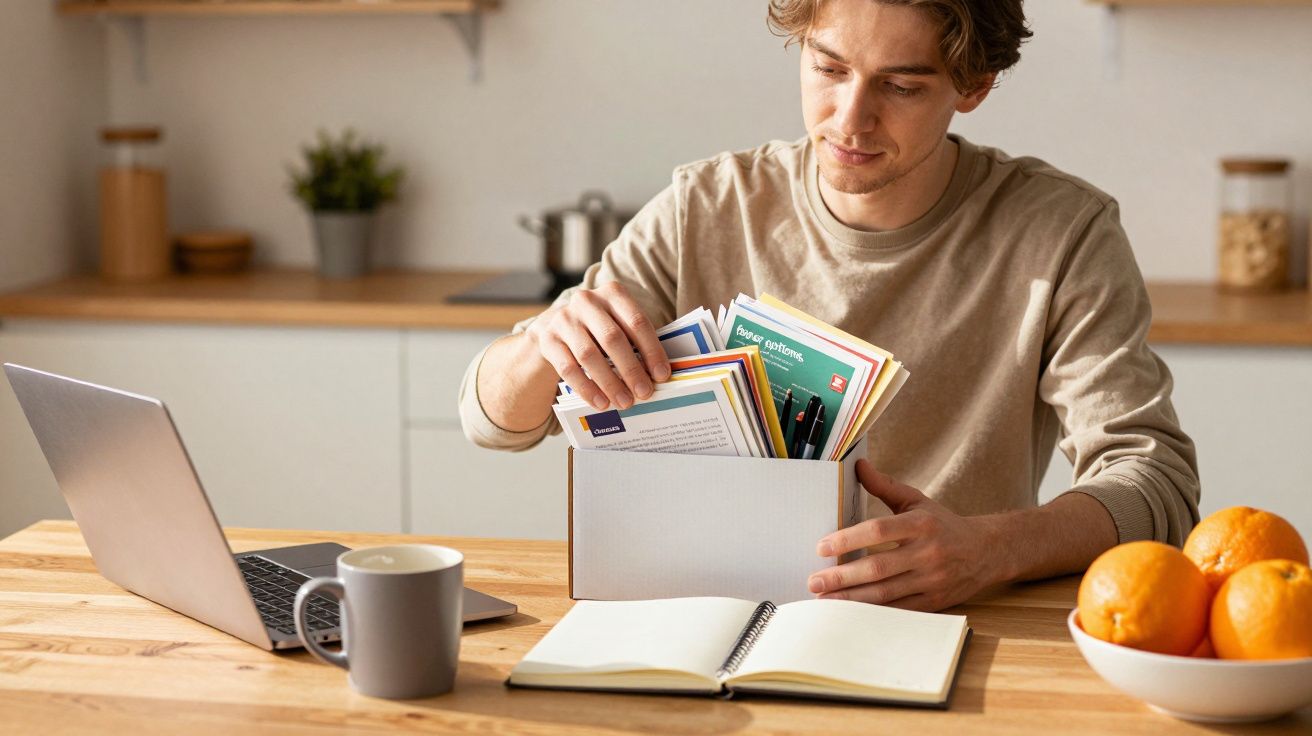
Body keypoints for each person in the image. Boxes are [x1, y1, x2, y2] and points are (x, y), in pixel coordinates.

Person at [459, 0, 1200, 612]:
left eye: (902, 87)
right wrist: (543, 343)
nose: (850, 119)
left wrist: (989, 548)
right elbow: (490, 424)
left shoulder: (1062, 232)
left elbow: (1155, 480)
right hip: (703, 620)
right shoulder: (705, 208)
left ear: (972, 86)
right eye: (829, 68)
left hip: (949, 627)